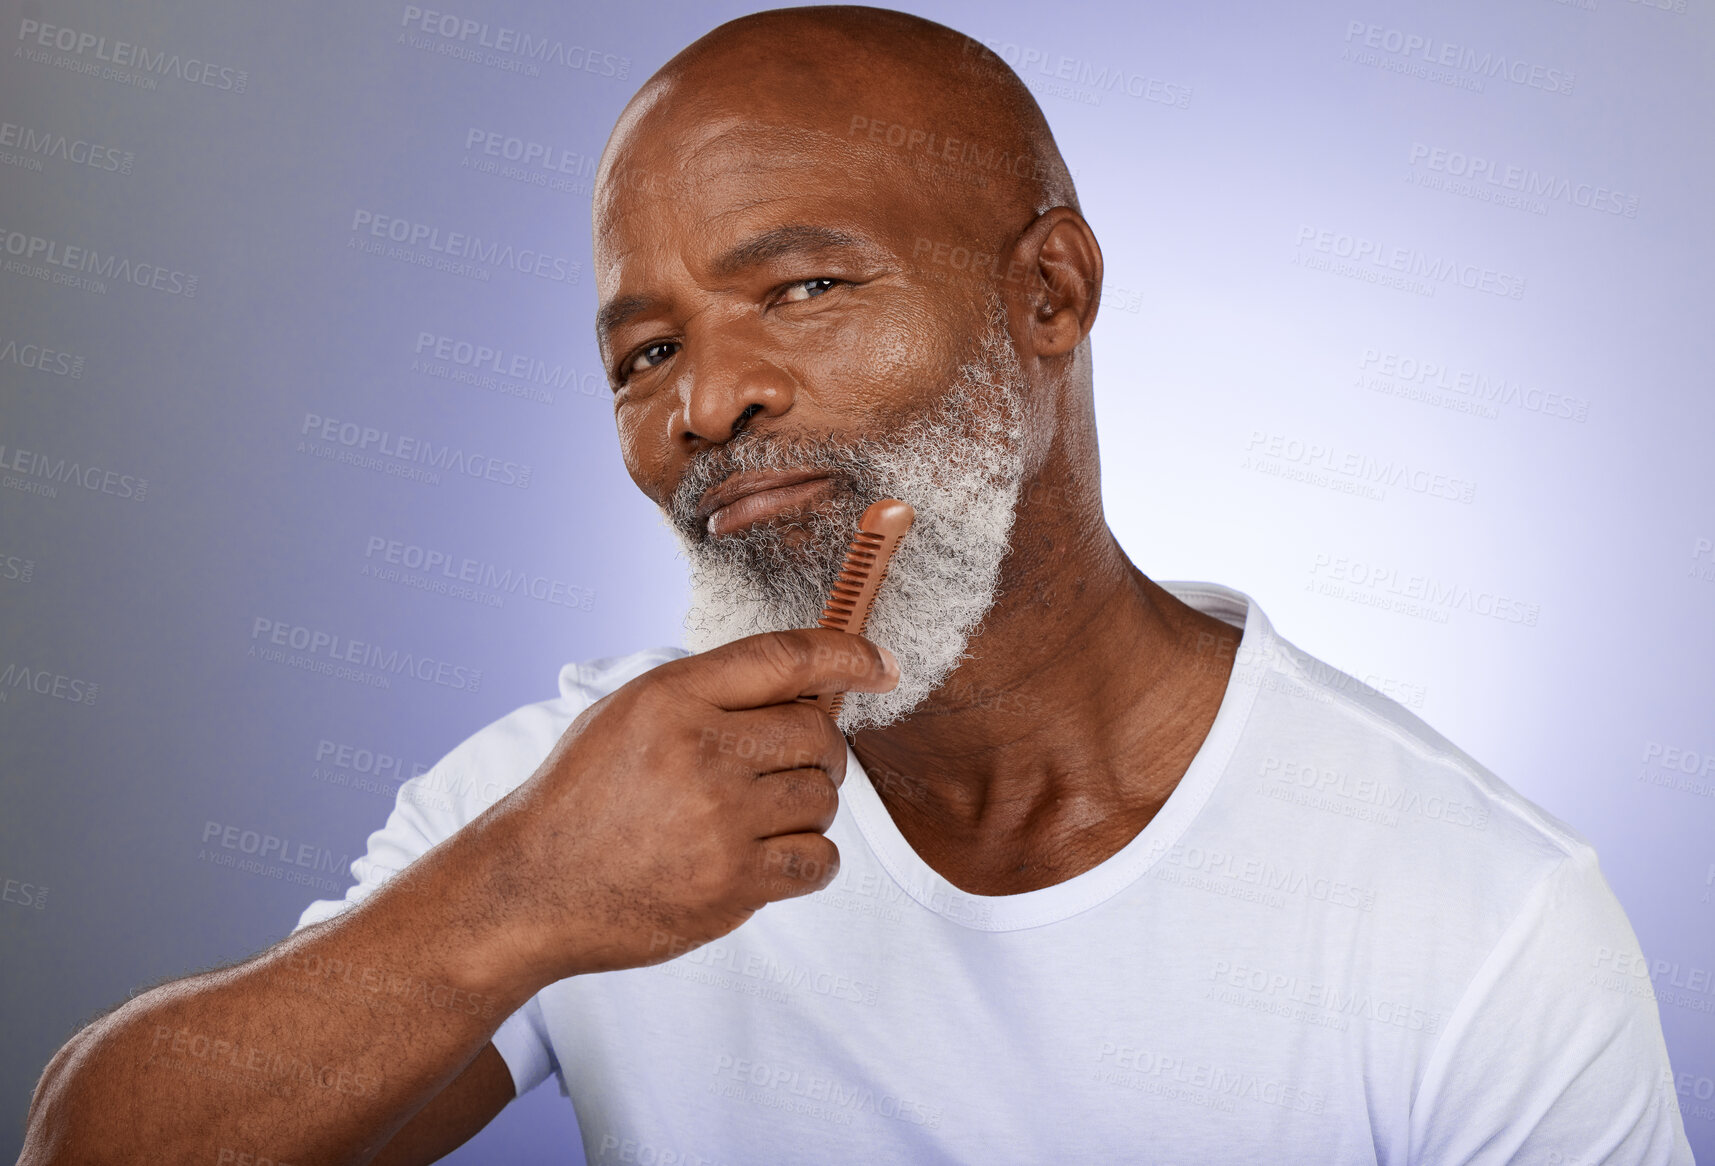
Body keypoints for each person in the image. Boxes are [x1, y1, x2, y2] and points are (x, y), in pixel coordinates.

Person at [20, 7, 1692, 1164]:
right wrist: (520, 895)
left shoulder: (1482, 919)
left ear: (1050, 292)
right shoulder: (580, 806)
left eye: (803, 285)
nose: (704, 402)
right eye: (645, 349)